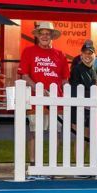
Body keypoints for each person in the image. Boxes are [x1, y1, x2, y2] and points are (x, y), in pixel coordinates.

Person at [18, 21, 70, 166]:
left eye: (48, 34)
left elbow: (65, 78)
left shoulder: (60, 54)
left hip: (56, 101)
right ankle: (34, 164)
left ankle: (52, 164)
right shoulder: (28, 52)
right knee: (35, 132)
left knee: (56, 134)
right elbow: (24, 76)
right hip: (35, 100)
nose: (45, 36)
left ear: (52, 36)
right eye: (42, 34)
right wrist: (38, 89)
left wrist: (67, 91)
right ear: (38, 36)